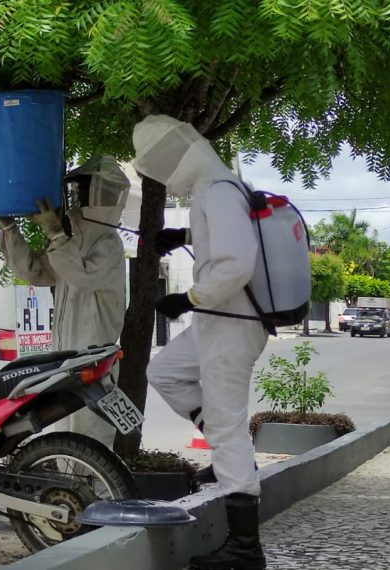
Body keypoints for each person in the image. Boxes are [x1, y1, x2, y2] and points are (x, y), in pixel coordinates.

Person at [133, 115, 269, 570]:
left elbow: (236, 263)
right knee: (165, 372)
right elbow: (228, 240)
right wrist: (185, 236)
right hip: (217, 322)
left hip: (229, 323)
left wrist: (186, 298)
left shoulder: (217, 188)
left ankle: (245, 549)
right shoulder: (219, 186)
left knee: (229, 428)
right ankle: (227, 456)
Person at [0, 155, 130, 448]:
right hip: (68, 361)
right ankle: (72, 492)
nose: (76, 197)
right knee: (65, 437)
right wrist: (10, 231)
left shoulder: (107, 245)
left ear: (101, 195)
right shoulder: (73, 244)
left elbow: (82, 276)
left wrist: (56, 235)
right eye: (75, 189)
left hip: (92, 361)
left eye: (82, 189)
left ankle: (97, 494)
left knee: (89, 437)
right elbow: (36, 272)